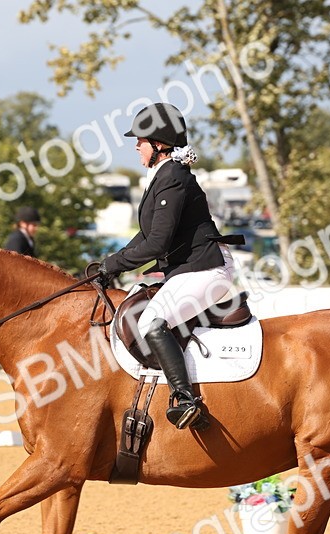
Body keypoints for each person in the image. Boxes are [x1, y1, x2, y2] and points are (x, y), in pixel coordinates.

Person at [100, 103, 235, 431]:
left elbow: (157, 244)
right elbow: (145, 235)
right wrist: (107, 265)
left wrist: (113, 265)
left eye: (140, 140)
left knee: (152, 322)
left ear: (158, 144)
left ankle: (186, 399)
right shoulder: (161, 175)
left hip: (206, 269)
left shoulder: (173, 177)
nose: (136, 146)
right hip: (188, 269)